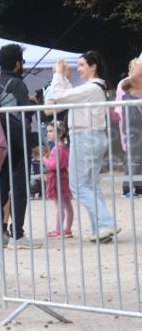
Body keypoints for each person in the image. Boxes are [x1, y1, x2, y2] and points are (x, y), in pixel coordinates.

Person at [46, 52, 119, 242]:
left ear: (93, 66)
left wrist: (57, 74)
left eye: (81, 65)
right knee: (91, 185)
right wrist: (63, 78)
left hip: (85, 136)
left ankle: (106, 223)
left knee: (79, 185)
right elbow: (69, 97)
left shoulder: (92, 88)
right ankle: (100, 229)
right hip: (92, 136)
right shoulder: (94, 88)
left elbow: (59, 97)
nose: (78, 69)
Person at [0, 43, 39, 249]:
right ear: (18, 64)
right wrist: (33, 103)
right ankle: (17, 234)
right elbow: (25, 113)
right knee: (19, 188)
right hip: (18, 141)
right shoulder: (18, 84)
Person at [115, 56, 142, 197]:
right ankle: (127, 188)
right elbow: (124, 112)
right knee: (132, 159)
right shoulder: (126, 87)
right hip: (131, 128)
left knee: (137, 159)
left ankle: (138, 187)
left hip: (135, 127)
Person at [43, 121, 74, 238]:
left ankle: (58, 230)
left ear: (60, 133)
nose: (48, 134)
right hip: (65, 177)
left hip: (56, 179)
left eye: (51, 131)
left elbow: (53, 165)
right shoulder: (66, 147)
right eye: (48, 132)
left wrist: (44, 159)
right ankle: (68, 229)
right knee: (68, 204)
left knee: (59, 205)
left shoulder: (56, 149)